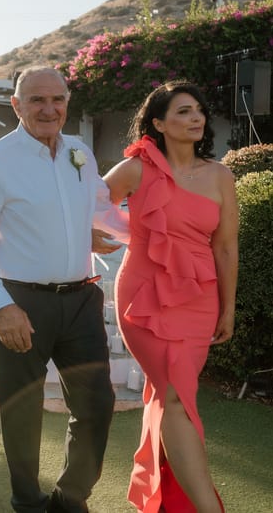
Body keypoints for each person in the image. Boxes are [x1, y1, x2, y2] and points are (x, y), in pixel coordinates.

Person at [0, 66, 127, 513]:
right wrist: (2, 307)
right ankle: (27, 502)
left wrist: (163, 221)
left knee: (97, 405)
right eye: (36, 100)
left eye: (57, 99)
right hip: (21, 302)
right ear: (16, 106)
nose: (48, 109)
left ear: (68, 102)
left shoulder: (79, 152)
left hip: (81, 301)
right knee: (22, 413)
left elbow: (96, 207)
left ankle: (70, 498)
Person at [103, 81, 237, 512]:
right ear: (158, 123)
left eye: (199, 110)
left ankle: (166, 503)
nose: (195, 118)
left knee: (172, 395)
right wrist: (95, 235)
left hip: (200, 300)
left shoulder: (220, 175)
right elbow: (82, 206)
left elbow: (226, 247)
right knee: (175, 394)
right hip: (142, 296)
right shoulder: (136, 169)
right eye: (182, 111)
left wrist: (229, 307)